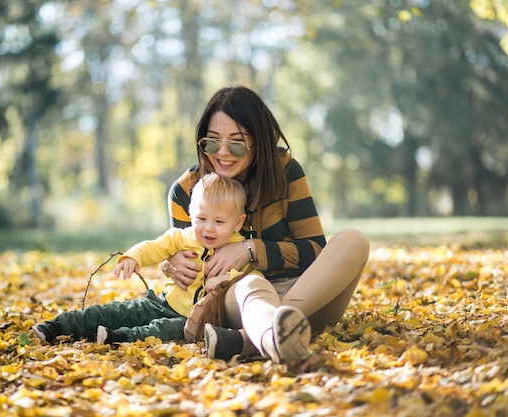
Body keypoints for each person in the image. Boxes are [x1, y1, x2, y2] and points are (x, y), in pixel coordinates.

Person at [162, 85, 370, 366]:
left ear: (259, 141)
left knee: (353, 240)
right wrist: (170, 262)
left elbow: (314, 250)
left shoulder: (286, 173)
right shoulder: (186, 191)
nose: (222, 153)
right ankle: (272, 334)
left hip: (304, 295)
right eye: (212, 142)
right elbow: (187, 263)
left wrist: (250, 249)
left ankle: (249, 340)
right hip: (237, 298)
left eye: (236, 143)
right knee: (250, 283)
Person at [32, 173, 258, 344]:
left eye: (219, 222)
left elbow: (251, 278)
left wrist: (226, 282)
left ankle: (118, 338)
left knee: (164, 330)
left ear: (237, 223)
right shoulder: (182, 237)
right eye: (201, 218)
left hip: (191, 320)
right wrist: (133, 258)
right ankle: (58, 325)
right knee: (117, 311)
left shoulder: (237, 250)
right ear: (191, 213)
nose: (208, 228)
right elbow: (154, 247)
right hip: (160, 303)